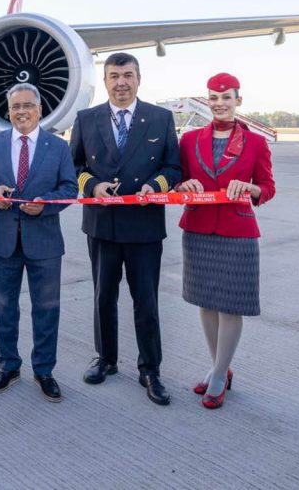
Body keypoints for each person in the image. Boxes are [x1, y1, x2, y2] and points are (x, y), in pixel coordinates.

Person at [69, 52, 181, 405]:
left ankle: (150, 369)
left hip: (145, 227)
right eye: (114, 76)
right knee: (104, 297)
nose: (121, 82)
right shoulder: (86, 119)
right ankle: (106, 359)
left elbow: (173, 166)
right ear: (104, 81)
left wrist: (157, 185)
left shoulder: (161, 118)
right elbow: (73, 166)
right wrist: (92, 186)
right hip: (102, 226)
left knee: (145, 302)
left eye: (128, 75)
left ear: (138, 79)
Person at [0, 83, 78, 402]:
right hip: (3, 239)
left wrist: (46, 203)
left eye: (27, 106)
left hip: (44, 241)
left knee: (46, 309)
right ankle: (8, 365)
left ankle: (44, 369)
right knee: (4, 307)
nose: (21, 112)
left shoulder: (58, 147)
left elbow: (70, 188)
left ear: (40, 109)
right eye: (15, 107)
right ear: (9, 111)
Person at [174, 73, 275, 409]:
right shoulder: (188, 140)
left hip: (237, 232)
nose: (219, 104)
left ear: (238, 101)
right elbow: (179, 180)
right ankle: (219, 366)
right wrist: (182, 186)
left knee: (231, 306)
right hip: (199, 229)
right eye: (213, 98)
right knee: (206, 302)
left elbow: (267, 187)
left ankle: (218, 375)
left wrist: (250, 189)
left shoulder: (256, 143)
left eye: (226, 98)